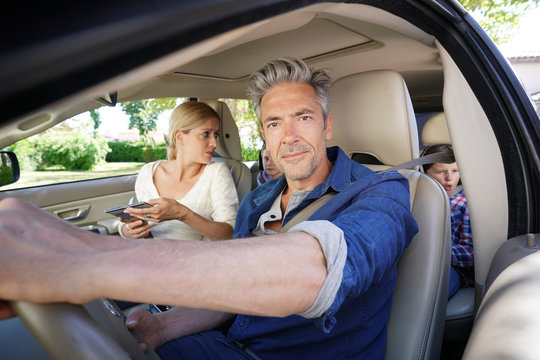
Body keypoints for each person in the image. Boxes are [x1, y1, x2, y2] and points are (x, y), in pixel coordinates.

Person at [0, 57, 418, 359]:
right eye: (274, 123)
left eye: (303, 117)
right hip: (223, 343)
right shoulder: (259, 199)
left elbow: (323, 268)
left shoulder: (383, 192)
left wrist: (83, 258)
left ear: (326, 125)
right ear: (264, 135)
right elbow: (234, 290)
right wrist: (164, 326)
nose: (288, 136)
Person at [119, 101, 238, 241]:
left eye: (216, 135)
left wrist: (183, 214)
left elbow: (229, 234)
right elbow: (131, 217)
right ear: (180, 137)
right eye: (206, 134)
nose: (214, 143)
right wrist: (127, 230)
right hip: (150, 253)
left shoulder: (216, 173)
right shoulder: (148, 172)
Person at [422, 144, 473, 298]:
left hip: (451, 268)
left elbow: (471, 253)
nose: (449, 178)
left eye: (455, 171)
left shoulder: (464, 203)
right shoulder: (418, 197)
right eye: (440, 172)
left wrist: (432, 252)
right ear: (424, 172)